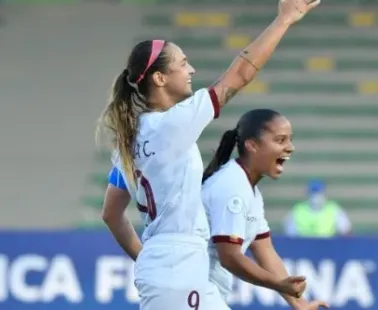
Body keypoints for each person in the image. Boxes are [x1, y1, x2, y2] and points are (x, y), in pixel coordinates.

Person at [96, 0, 322, 309]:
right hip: (179, 264)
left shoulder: (131, 139)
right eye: (183, 63)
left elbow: (111, 213)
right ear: (159, 78)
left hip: (170, 265)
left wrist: (149, 257)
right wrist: (283, 20)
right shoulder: (172, 125)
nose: (191, 69)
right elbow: (240, 74)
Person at [201, 109, 329, 310]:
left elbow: (264, 249)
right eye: (280, 140)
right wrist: (279, 285)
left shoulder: (249, 189)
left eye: (290, 140)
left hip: (204, 294)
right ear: (251, 145)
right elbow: (230, 257)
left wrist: (300, 304)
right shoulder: (232, 187)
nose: (290, 148)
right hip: (192, 292)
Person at [284, 180, 352, 237]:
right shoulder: (297, 210)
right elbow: (290, 236)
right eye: (313, 193)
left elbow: (346, 232)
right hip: (304, 248)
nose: (316, 197)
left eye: (319, 193)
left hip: (328, 248)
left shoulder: (334, 210)